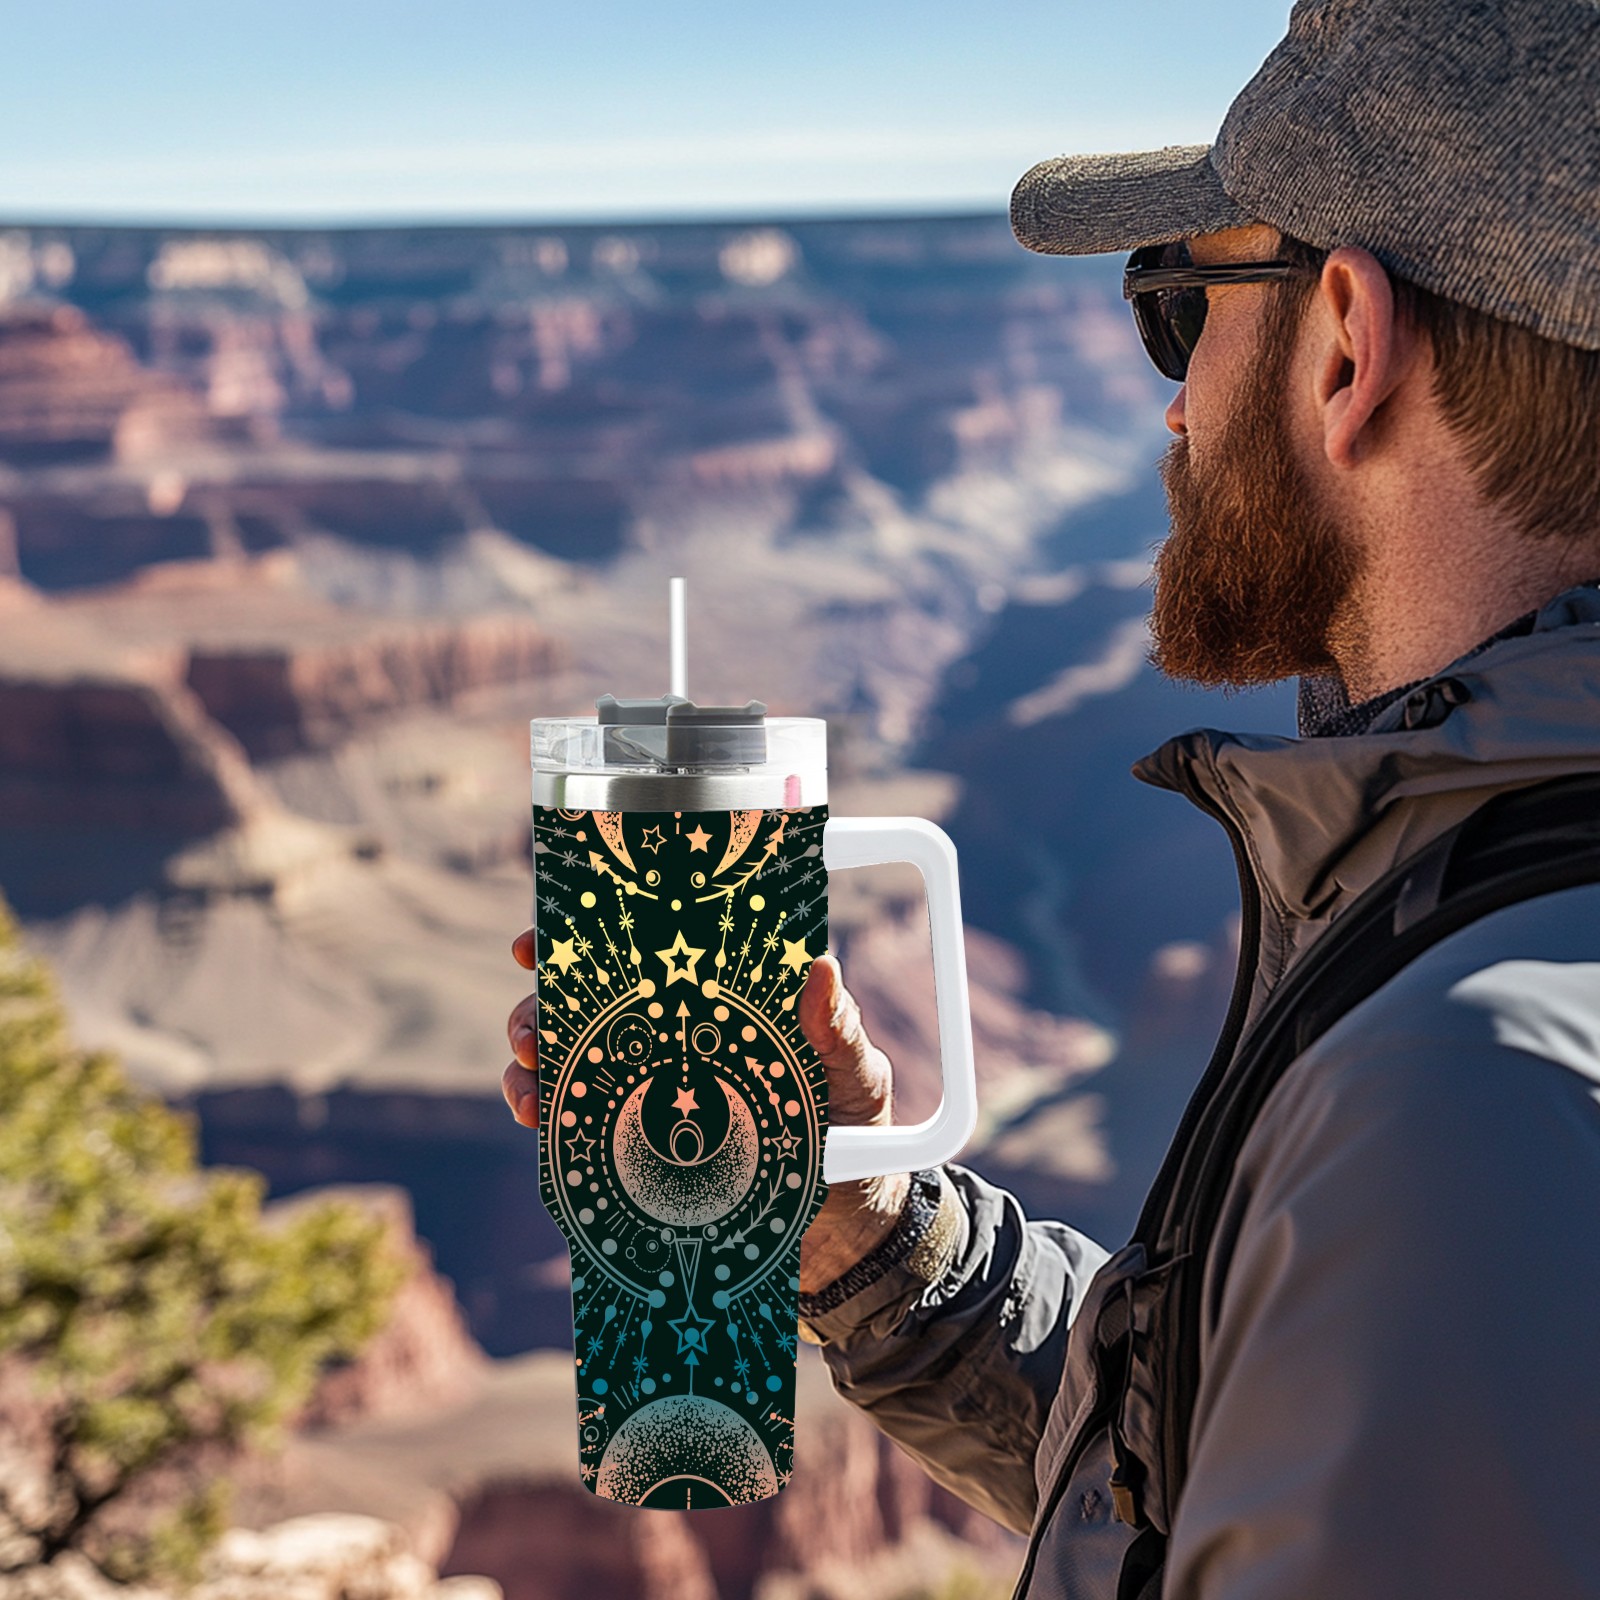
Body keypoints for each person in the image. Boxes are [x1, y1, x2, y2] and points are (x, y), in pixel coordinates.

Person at [505, 0, 1600, 1591]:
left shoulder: (1460, 1104)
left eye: (1182, 305)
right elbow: (1229, 1468)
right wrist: (856, 1215)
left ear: (1346, 344)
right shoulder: (1492, 966)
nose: (1173, 402)